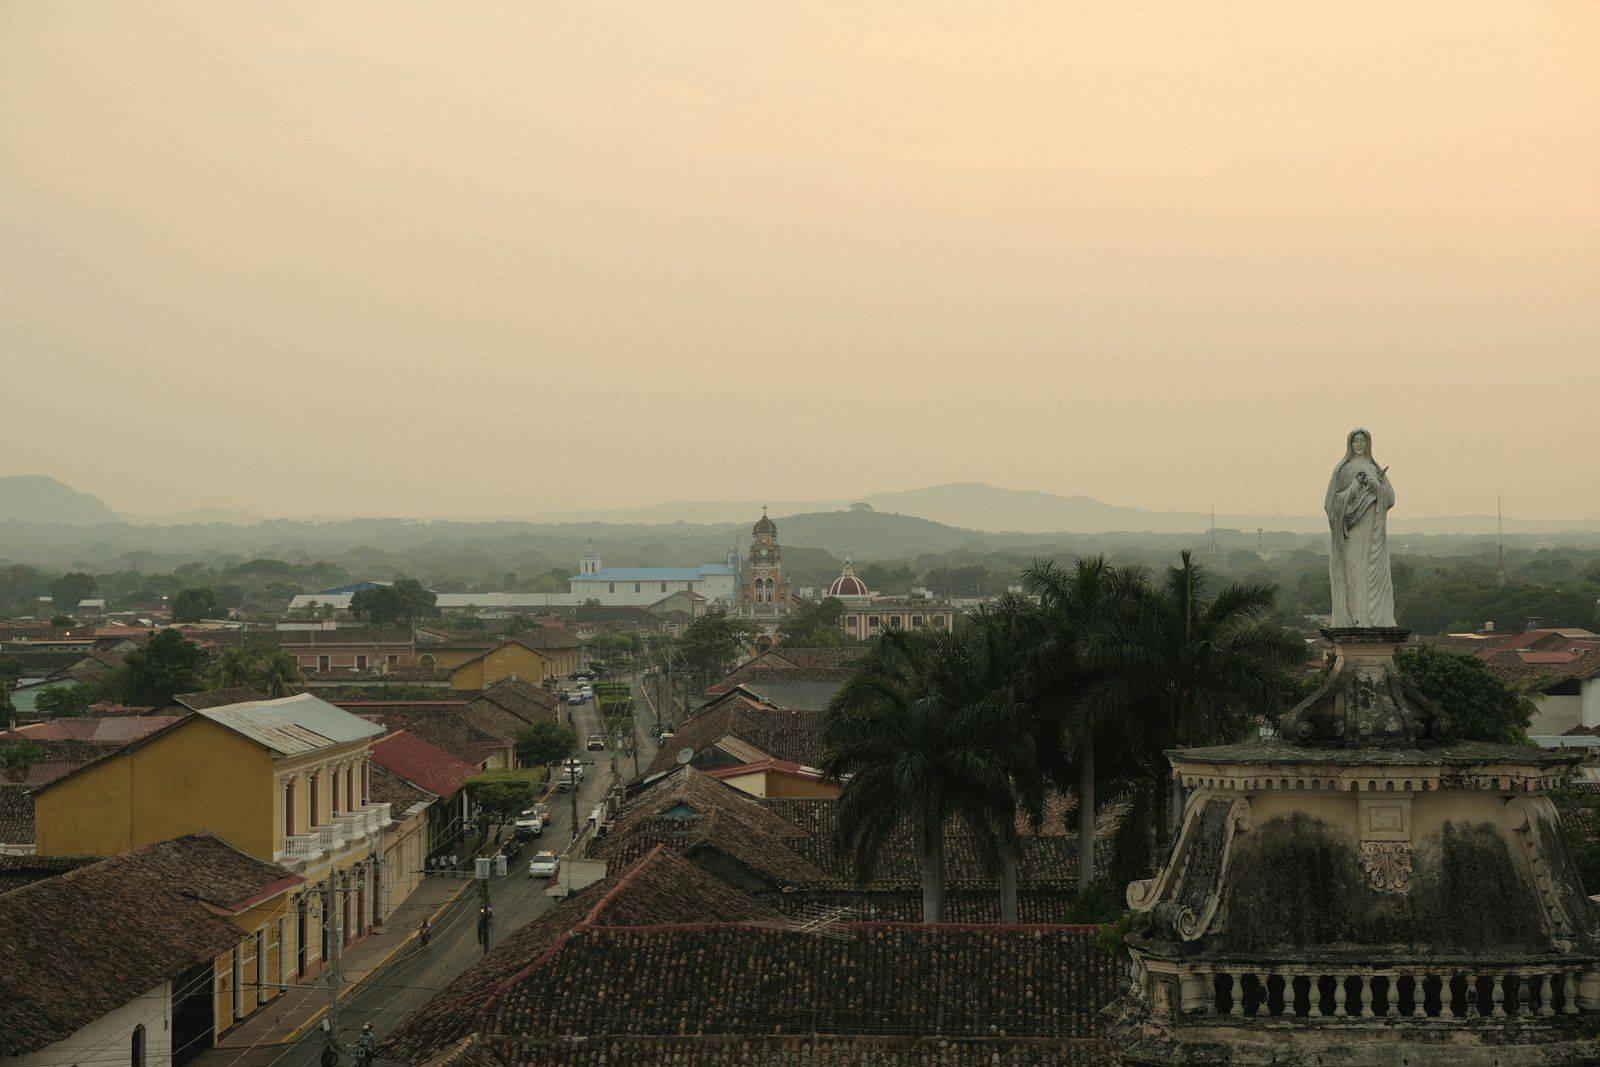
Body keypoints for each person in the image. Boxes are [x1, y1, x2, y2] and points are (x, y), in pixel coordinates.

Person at [1324, 427, 1396, 628]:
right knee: (1353, 568)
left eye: (1362, 440)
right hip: (1351, 531)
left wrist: (1375, 486)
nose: (1359, 444)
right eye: (1355, 440)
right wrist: (1355, 486)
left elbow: (1390, 498)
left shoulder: (1374, 468)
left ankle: (1374, 617)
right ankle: (1354, 616)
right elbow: (1331, 503)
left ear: (1368, 443)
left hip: (1372, 527)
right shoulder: (1342, 470)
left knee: (1371, 569)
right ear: (1350, 443)